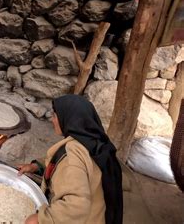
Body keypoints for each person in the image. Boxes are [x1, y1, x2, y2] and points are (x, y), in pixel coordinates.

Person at [18, 95, 123, 224]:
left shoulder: (72, 157)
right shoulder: (92, 141)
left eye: (55, 115)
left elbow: (76, 206)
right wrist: (37, 166)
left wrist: (40, 219)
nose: (52, 120)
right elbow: (61, 163)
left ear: (68, 119)